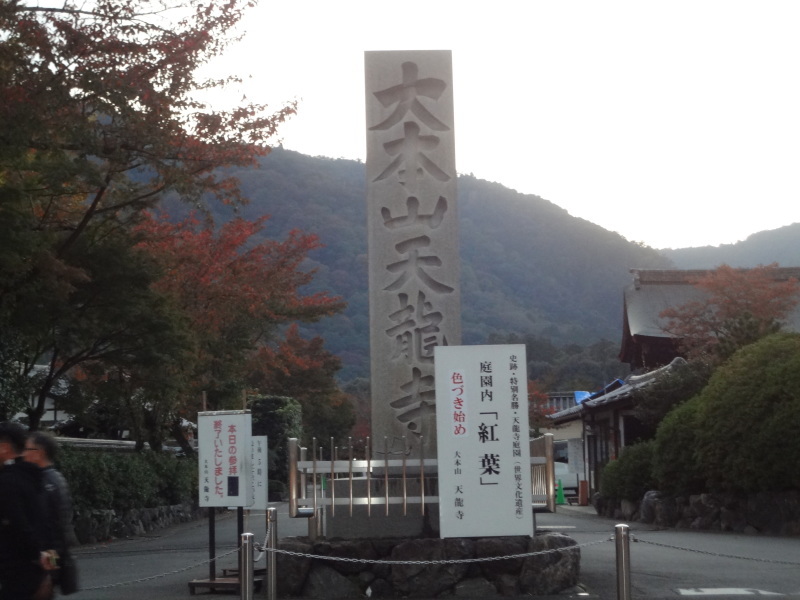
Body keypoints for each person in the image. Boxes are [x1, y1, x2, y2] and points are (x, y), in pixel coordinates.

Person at [0, 422, 53, 600]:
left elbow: (17, 525)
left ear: (5, 447)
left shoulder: (8, 482)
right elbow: (51, 524)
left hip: (16, 569)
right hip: (36, 569)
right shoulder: (38, 478)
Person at [24, 432, 79, 596]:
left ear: (39, 452)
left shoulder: (44, 482)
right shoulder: (56, 478)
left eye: (28, 449)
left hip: (48, 556)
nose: (24, 453)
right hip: (53, 554)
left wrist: (50, 571)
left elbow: (53, 526)